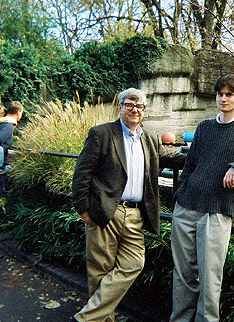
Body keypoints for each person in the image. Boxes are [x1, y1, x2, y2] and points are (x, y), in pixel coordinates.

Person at [71, 88, 186, 322]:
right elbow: (82, 173)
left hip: (135, 214)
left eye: (140, 106)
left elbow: (171, 158)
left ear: (144, 110)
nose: (135, 109)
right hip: (105, 211)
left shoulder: (150, 138)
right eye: (130, 104)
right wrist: (83, 209)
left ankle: (85, 318)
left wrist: (204, 154)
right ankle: (104, 319)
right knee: (100, 270)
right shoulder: (102, 134)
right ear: (120, 107)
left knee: (134, 263)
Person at [170, 75, 234, 322]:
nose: (223, 98)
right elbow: (190, 164)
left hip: (217, 212)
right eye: (220, 94)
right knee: (182, 275)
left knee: (210, 278)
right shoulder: (204, 127)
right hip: (185, 208)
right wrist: (180, 194)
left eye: (229, 94)